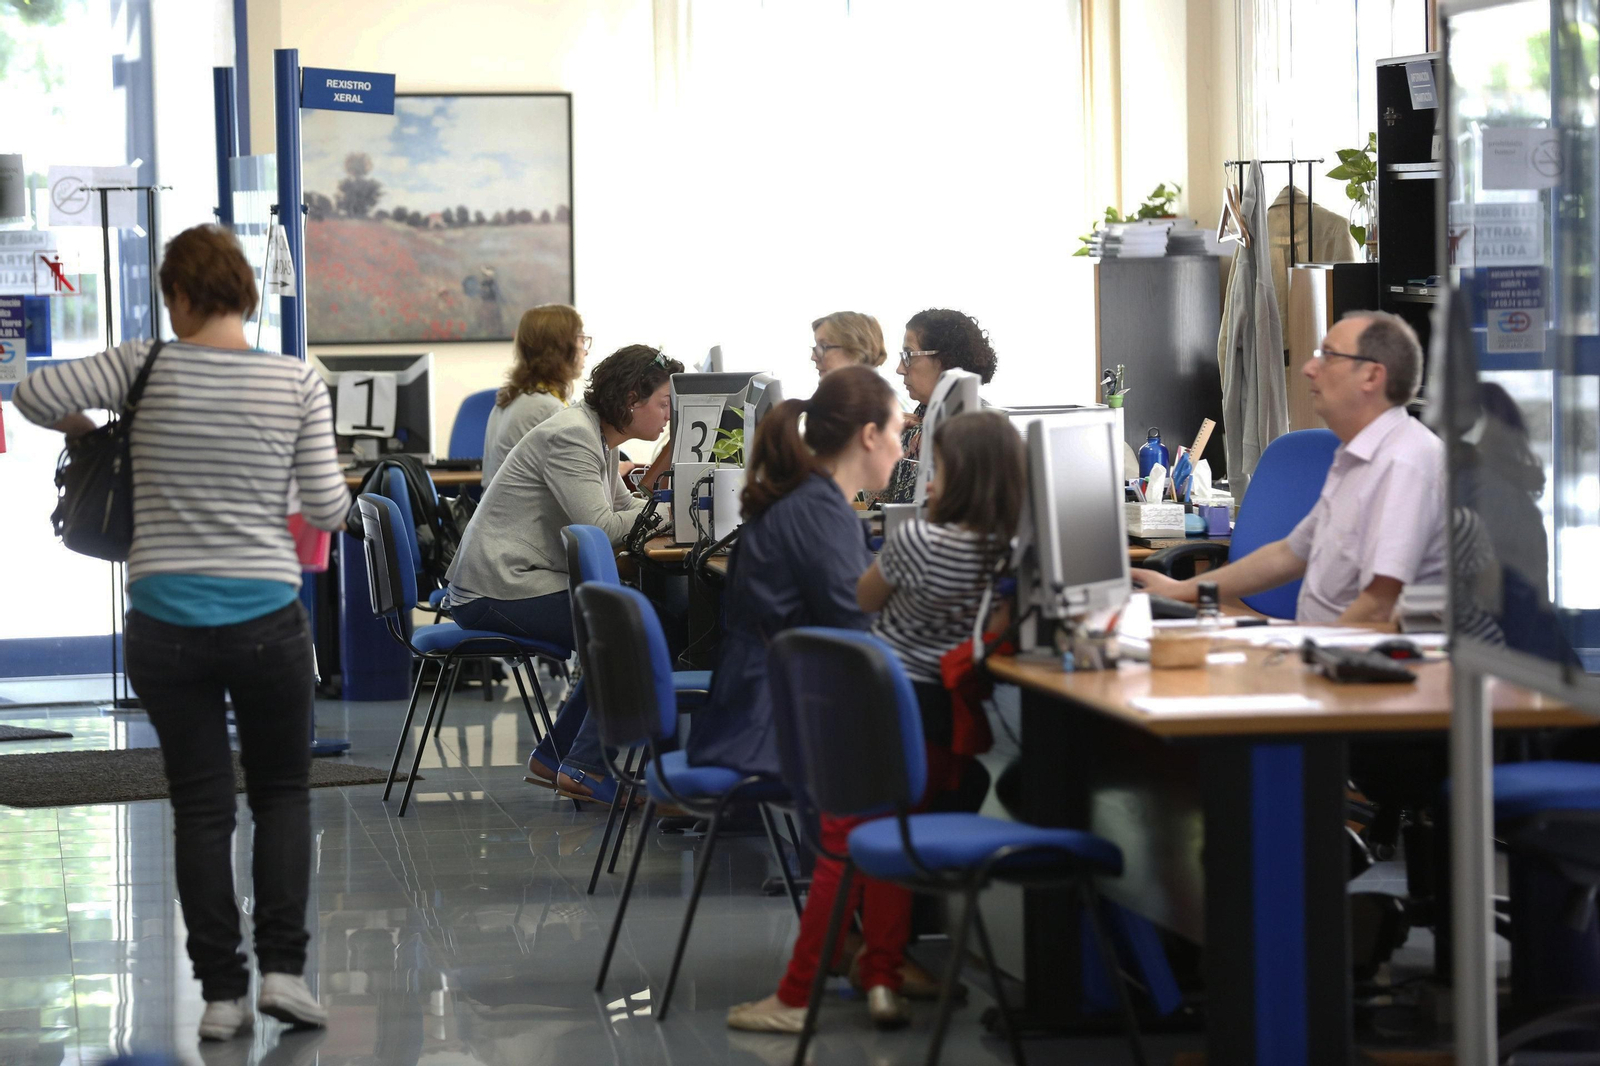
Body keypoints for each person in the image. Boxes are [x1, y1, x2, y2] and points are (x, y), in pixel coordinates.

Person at [12, 225, 346, 1040]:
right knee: (280, 796)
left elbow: (30, 393)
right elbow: (330, 508)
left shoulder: (141, 365)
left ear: (179, 298)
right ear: (244, 293)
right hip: (268, 622)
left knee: (200, 808)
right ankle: (286, 978)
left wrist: (98, 433)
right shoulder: (295, 379)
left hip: (164, 623)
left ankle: (223, 997)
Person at [682, 367, 912, 1032]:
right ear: (867, 436)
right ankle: (874, 958)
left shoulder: (816, 503)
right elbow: (855, 628)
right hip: (774, 719)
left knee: (908, 774)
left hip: (775, 698)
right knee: (906, 773)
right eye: (896, 435)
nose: (902, 452)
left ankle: (873, 954)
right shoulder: (819, 514)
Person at [444, 345, 683, 802]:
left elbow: (623, 507)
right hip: (496, 589)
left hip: (520, 579)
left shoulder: (597, 435)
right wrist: (670, 512)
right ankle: (584, 768)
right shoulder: (572, 435)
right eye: (664, 404)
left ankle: (555, 757)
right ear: (632, 398)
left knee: (640, 623)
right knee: (632, 632)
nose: (669, 418)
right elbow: (603, 527)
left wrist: (666, 508)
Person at [1133, 310, 1445, 623]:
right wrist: (1182, 589)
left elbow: (1379, 605)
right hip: (1324, 646)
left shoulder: (1405, 462)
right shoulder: (1356, 456)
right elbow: (1288, 555)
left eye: (1329, 356)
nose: (1310, 368)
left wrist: (1304, 658)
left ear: (1372, 376)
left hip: (1361, 657)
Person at [871, 308, 999, 504]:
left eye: (908, 355)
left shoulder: (978, 430)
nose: (899, 369)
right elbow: (880, 504)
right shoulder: (924, 413)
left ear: (946, 361)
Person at [481, 304, 589, 486]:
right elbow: (574, 483)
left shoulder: (513, 398)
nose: (585, 350)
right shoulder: (547, 409)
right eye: (581, 341)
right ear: (562, 348)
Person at [809, 311, 888, 378]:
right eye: (816, 348)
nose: (813, 357)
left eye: (824, 347)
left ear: (859, 351)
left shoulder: (877, 395)